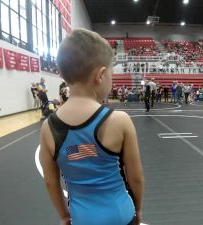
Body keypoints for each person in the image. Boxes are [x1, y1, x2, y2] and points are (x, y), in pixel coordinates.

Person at [39, 29, 144, 225]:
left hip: (82, 219)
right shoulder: (119, 120)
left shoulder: (48, 127)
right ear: (101, 75)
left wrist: (63, 216)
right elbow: (135, 177)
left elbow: (50, 181)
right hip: (121, 215)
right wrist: (137, 208)